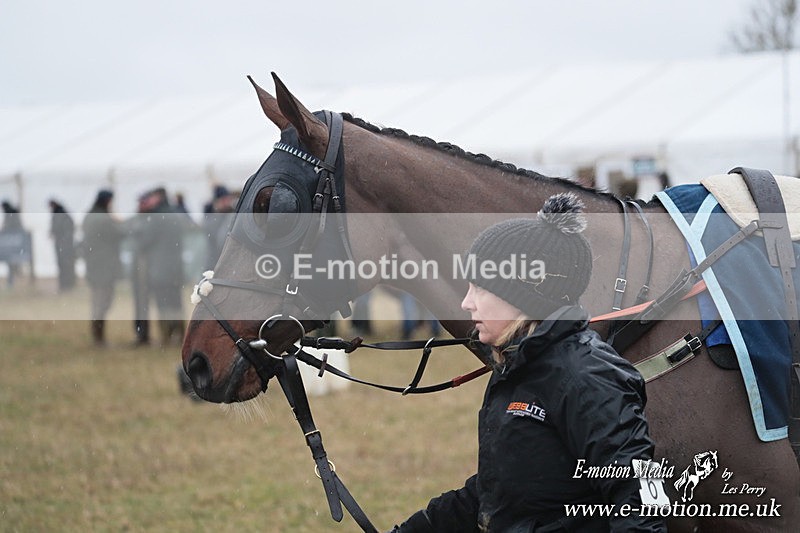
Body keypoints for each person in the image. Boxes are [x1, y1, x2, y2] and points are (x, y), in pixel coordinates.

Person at [390, 192, 665, 532]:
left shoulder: (589, 376)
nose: (465, 303)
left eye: (479, 288)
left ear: (523, 294)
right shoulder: (515, 368)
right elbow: (500, 493)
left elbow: (642, 501)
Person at [130, 187, 186, 346]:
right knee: (176, 302)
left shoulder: (155, 217)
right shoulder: (175, 214)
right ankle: (181, 335)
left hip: (160, 269)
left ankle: (166, 338)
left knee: (163, 304)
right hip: (176, 267)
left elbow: (144, 242)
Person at [82, 190, 125, 346]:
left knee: (97, 302)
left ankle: (97, 335)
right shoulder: (104, 219)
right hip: (104, 268)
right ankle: (99, 338)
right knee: (103, 302)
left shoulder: (89, 216)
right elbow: (120, 233)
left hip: (94, 266)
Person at [49, 199, 76, 291]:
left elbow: (62, 230)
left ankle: (66, 284)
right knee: (66, 265)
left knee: (64, 265)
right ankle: (67, 284)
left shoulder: (59, 215)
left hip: (63, 245)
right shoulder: (63, 215)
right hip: (65, 245)